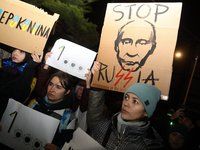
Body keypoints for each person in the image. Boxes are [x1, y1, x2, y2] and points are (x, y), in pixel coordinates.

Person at [87, 80, 164, 149]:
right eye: (126, 97)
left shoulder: (147, 146)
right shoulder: (103, 127)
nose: (126, 103)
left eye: (135, 101)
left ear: (146, 112)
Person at [28, 71, 76, 150]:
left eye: (58, 87)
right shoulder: (34, 103)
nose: (51, 89)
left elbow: (68, 146)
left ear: (67, 92)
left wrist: (57, 149)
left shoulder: (68, 117)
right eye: (51, 84)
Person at [0, 48, 43, 120]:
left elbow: (18, 94)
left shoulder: (28, 77)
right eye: (14, 49)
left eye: (21, 51)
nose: (15, 53)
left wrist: (31, 65)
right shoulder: (3, 64)